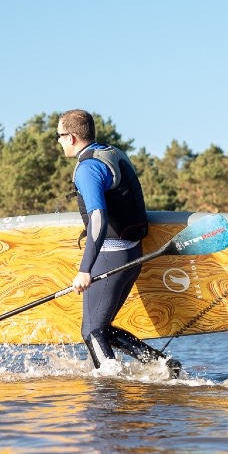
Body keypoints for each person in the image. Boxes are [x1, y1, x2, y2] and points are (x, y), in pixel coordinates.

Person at [56, 109, 181, 378]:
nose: (59, 141)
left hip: (111, 256)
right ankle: (163, 365)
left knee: (91, 331)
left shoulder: (88, 168)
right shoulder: (111, 153)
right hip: (131, 255)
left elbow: (98, 219)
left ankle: (110, 386)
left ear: (73, 137)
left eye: (60, 136)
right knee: (103, 328)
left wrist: (85, 269)